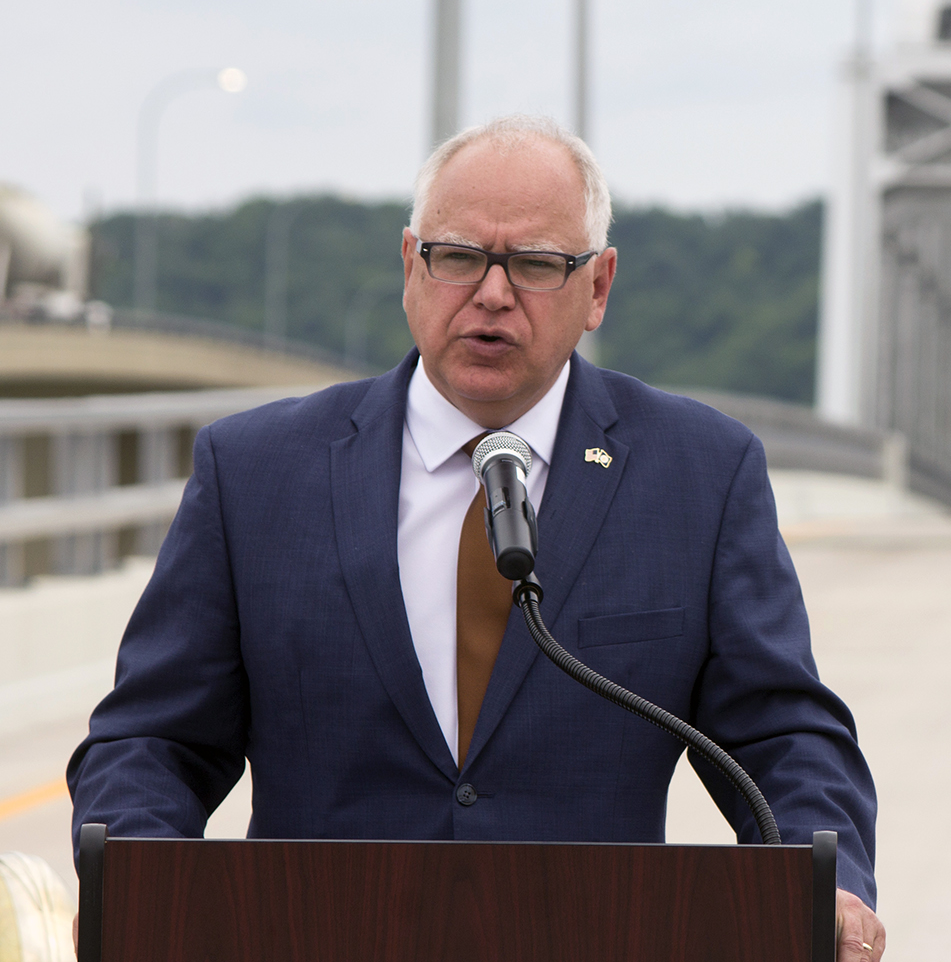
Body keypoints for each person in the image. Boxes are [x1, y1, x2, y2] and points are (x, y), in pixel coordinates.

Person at [67, 115, 886, 959]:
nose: (491, 294)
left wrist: (832, 886)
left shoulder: (700, 474)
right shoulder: (255, 472)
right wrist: (138, 879)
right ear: (410, 267)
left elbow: (782, 732)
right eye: (458, 257)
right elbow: (154, 737)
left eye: (534, 264)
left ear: (598, 286)